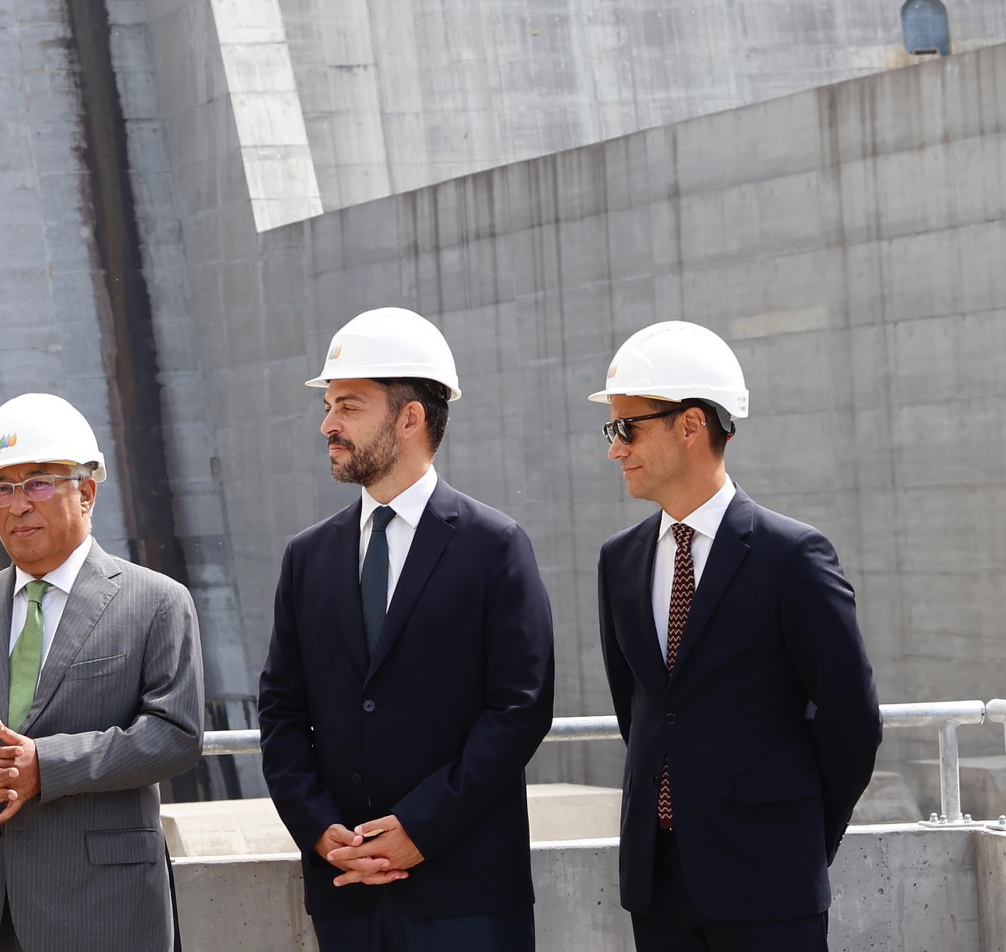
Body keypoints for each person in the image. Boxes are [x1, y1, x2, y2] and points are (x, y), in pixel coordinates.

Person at [258, 307, 557, 952]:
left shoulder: (495, 546)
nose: (328, 424)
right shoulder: (306, 557)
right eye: (330, 405)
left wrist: (420, 826)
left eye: (350, 406)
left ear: (410, 416)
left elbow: (519, 711)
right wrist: (319, 829)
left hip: (467, 896)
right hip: (346, 895)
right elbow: (282, 712)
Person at [592, 321, 881, 952]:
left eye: (627, 427)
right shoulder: (619, 561)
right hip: (657, 886)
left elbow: (851, 722)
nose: (615, 448)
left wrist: (795, 836)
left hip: (769, 886)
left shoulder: (793, 557)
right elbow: (639, 711)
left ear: (691, 424)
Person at [0, 393, 204, 952]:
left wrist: (46, 767)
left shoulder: (154, 601)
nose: (16, 505)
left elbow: (175, 736)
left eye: (37, 482)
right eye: (2, 488)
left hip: (106, 912)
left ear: (86, 491)